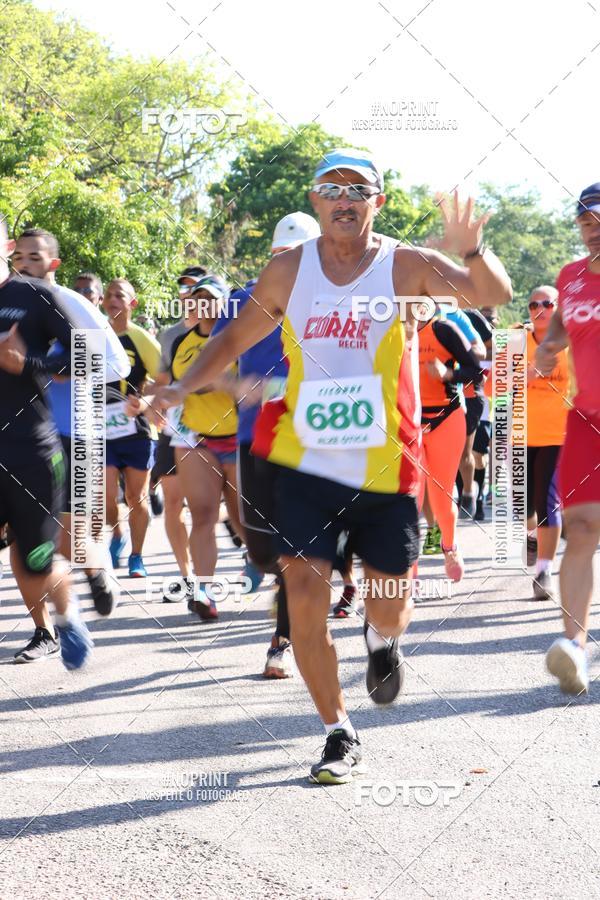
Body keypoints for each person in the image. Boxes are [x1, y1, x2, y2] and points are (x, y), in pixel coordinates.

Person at [153, 148, 511, 783]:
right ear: (316, 200)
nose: (344, 200)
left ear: (377, 201)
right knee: (304, 592)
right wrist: (183, 389)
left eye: (358, 190)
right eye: (331, 189)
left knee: (391, 600)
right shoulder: (290, 268)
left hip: (384, 464)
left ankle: (382, 641)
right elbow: (233, 340)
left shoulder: (404, 264)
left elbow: (492, 297)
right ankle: (337, 732)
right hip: (303, 461)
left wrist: (472, 249)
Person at [212, 212, 321, 675]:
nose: (292, 265)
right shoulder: (241, 302)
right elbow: (212, 364)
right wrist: (239, 388)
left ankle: (283, 639)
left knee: (298, 546)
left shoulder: (334, 303)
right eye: (284, 256)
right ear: (272, 256)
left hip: (314, 438)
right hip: (254, 436)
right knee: (260, 548)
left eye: (301, 256)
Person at [10, 229, 130, 630]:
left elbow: (115, 365)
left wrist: (57, 371)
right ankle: (42, 630)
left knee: (68, 535)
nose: (26, 264)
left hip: (73, 431)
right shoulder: (12, 302)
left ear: (53, 263)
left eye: (35, 257)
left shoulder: (71, 303)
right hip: (18, 435)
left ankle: (95, 573)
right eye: (20, 257)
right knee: (25, 537)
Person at [0, 217, 93, 669]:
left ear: (8, 245)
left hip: (29, 450)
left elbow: (85, 354)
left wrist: (27, 362)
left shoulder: (33, 295)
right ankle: (44, 629)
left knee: (35, 556)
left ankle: (66, 617)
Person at [536, 183, 600, 694]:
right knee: (579, 530)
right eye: (585, 220)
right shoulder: (571, 277)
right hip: (584, 419)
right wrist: (548, 348)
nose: (592, 227)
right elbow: (561, 328)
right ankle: (575, 647)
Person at [151, 268, 205, 604]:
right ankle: (188, 576)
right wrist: (151, 402)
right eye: (183, 289)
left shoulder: (228, 329)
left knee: (211, 504)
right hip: (177, 427)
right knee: (174, 503)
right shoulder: (171, 335)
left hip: (216, 427)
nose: (188, 295)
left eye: (195, 289)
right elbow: (160, 380)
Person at [417, 307, 484, 580]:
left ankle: (450, 546)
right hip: (409, 422)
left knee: (440, 495)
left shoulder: (443, 328)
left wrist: (447, 375)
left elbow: (475, 371)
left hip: (446, 417)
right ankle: (408, 573)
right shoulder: (391, 331)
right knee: (411, 495)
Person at [103, 279, 161, 578]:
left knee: (135, 498)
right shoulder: (93, 336)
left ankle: (137, 556)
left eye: (119, 296)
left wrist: (146, 400)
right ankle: (116, 534)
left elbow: (165, 379)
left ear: (132, 304)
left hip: (137, 429)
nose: (112, 300)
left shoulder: (141, 339)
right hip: (102, 429)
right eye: (109, 295)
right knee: (106, 493)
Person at [523, 287, 569, 601]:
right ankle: (531, 535)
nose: (540, 308)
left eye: (548, 303)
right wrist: (528, 373)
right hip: (519, 435)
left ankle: (544, 569)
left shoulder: (574, 343)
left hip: (558, 435)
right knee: (524, 505)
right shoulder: (515, 341)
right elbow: (488, 388)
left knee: (546, 501)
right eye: (533, 304)